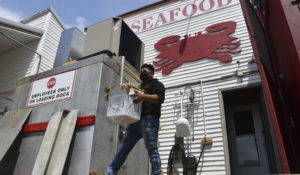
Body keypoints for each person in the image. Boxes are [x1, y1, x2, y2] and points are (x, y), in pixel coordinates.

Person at [105, 63, 165, 175]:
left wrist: (143, 96)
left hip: (149, 120)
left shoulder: (157, 84)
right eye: (141, 71)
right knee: (123, 149)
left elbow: (159, 98)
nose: (142, 73)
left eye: (145, 71)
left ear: (151, 73)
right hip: (134, 121)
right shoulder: (139, 86)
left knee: (152, 150)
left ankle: (156, 173)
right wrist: (124, 90)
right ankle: (110, 172)